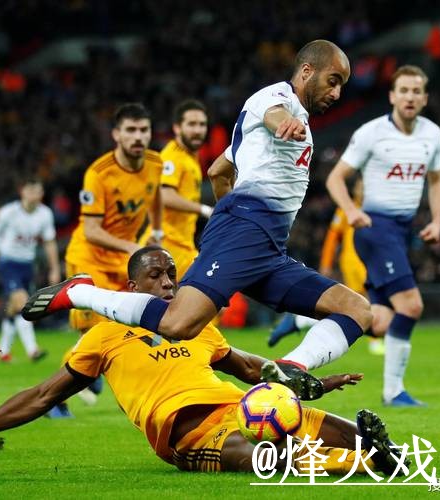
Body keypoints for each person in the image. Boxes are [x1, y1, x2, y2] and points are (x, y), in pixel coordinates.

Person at [22, 40, 371, 401]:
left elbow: (218, 170)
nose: (337, 93)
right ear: (307, 71)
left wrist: (227, 210)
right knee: (178, 324)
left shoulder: (287, 128)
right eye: (332, 81)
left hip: (267, 247)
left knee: (357, 309)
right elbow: (274, 114)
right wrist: (283, 127)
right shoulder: (274, 98)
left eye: (341, 85)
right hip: (246, 231)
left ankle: (291, 367)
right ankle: (78, 292)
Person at [0, 247, 406, 477]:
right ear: (131, 288)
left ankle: (375, 454)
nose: (169, 283)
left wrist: (308, 380)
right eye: (157, 276)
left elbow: (256, 372)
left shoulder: (197, 324)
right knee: (263, 457)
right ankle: (364, 463)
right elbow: (41, 396)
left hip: (243, 407)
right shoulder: (103, 335)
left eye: (172, 275)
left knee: (367, 443)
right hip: (186, 433)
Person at [325, 65, 440, 407]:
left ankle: (304, 320)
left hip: (402, 230)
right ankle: (394, 392)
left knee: (379, 320)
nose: (410, 96)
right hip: (375, 228)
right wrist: (351, 210)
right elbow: (335, 178)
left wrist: (438, 221)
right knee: (412, 305)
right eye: (403, 90)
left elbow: (437, 180)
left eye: (416, 91)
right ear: (392, 96)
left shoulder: (432, 135)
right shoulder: (371, 133)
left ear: (424, 98)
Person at [55, 103, 164, 413]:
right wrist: (130, 247)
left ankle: (109, 376)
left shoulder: (155, 163)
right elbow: (91, 230)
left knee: (137, 322)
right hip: (88, 258)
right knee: (95, 333)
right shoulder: (98, 173)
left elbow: (156, 195)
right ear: (116, 134)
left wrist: (156, 230)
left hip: (122, 259)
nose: (138, 136)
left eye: (143, 130)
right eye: (130, 130)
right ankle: (57, 399)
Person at [269, 179, 384, 355]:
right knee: (366, 302)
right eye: (360, 187)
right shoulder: (347, 209)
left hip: (371, 260)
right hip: (354, 262)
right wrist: (326, 263)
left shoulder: (374, 209)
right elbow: (332, 237)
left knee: (357, 305)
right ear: (355, 190)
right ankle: (375, 341)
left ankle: (300, 321)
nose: (364, 190)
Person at [0, 177, 60, 362]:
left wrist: (54, 268)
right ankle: (33, 350)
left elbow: (49, 242)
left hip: (28, 265)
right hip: (8, 263)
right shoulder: (9, 212)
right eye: (31, 190)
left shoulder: (45, 214)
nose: (35, 195)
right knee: (22, 302)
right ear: (22, 191)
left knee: (13, 309)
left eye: (38, 191)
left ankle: (3, 352)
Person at [160, 99, 213, 280]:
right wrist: (205, 210)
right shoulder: (172, 157)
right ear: (177, 128)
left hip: (183, 245)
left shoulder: (189, 157)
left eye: (202, 124)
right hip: (169, 246)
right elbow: (165, 195)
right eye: (191, 124)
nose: (198, 130)